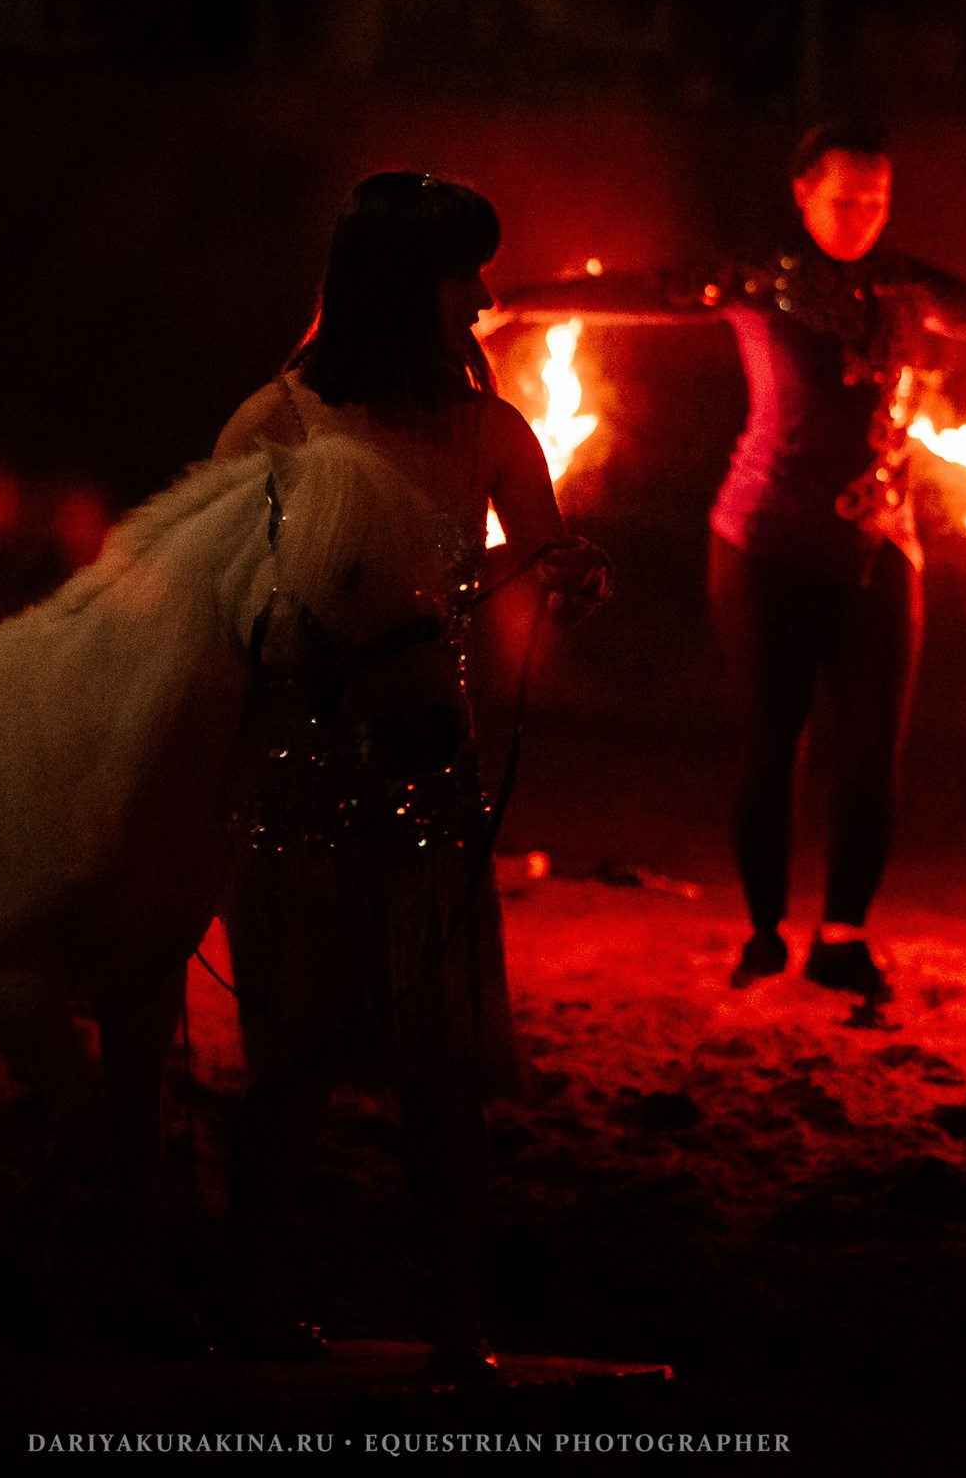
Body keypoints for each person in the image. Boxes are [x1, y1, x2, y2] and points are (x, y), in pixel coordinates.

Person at [511, 123, 966, 1022]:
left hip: (881, 546)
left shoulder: (905, 285)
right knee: (774, 740)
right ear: (802, 191)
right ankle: (764, 930)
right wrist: (518, 300)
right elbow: (643, 293)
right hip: (763, 542)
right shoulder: (758, 282)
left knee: (874, 748)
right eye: (844, 200)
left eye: (877, 201)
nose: (861, 218)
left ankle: (842, 938)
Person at [211, 171, 610, 1381]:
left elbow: (539, 540)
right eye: (462, 275)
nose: (486, 299)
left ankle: (455, 1318)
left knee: (442, 1068)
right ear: (398, 288)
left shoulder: (490, 430)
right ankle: (249, 1296)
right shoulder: (273, 427)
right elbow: (206, 590)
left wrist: (569, 570)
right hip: (290, 778)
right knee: (293, 1064)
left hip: (428, 775)